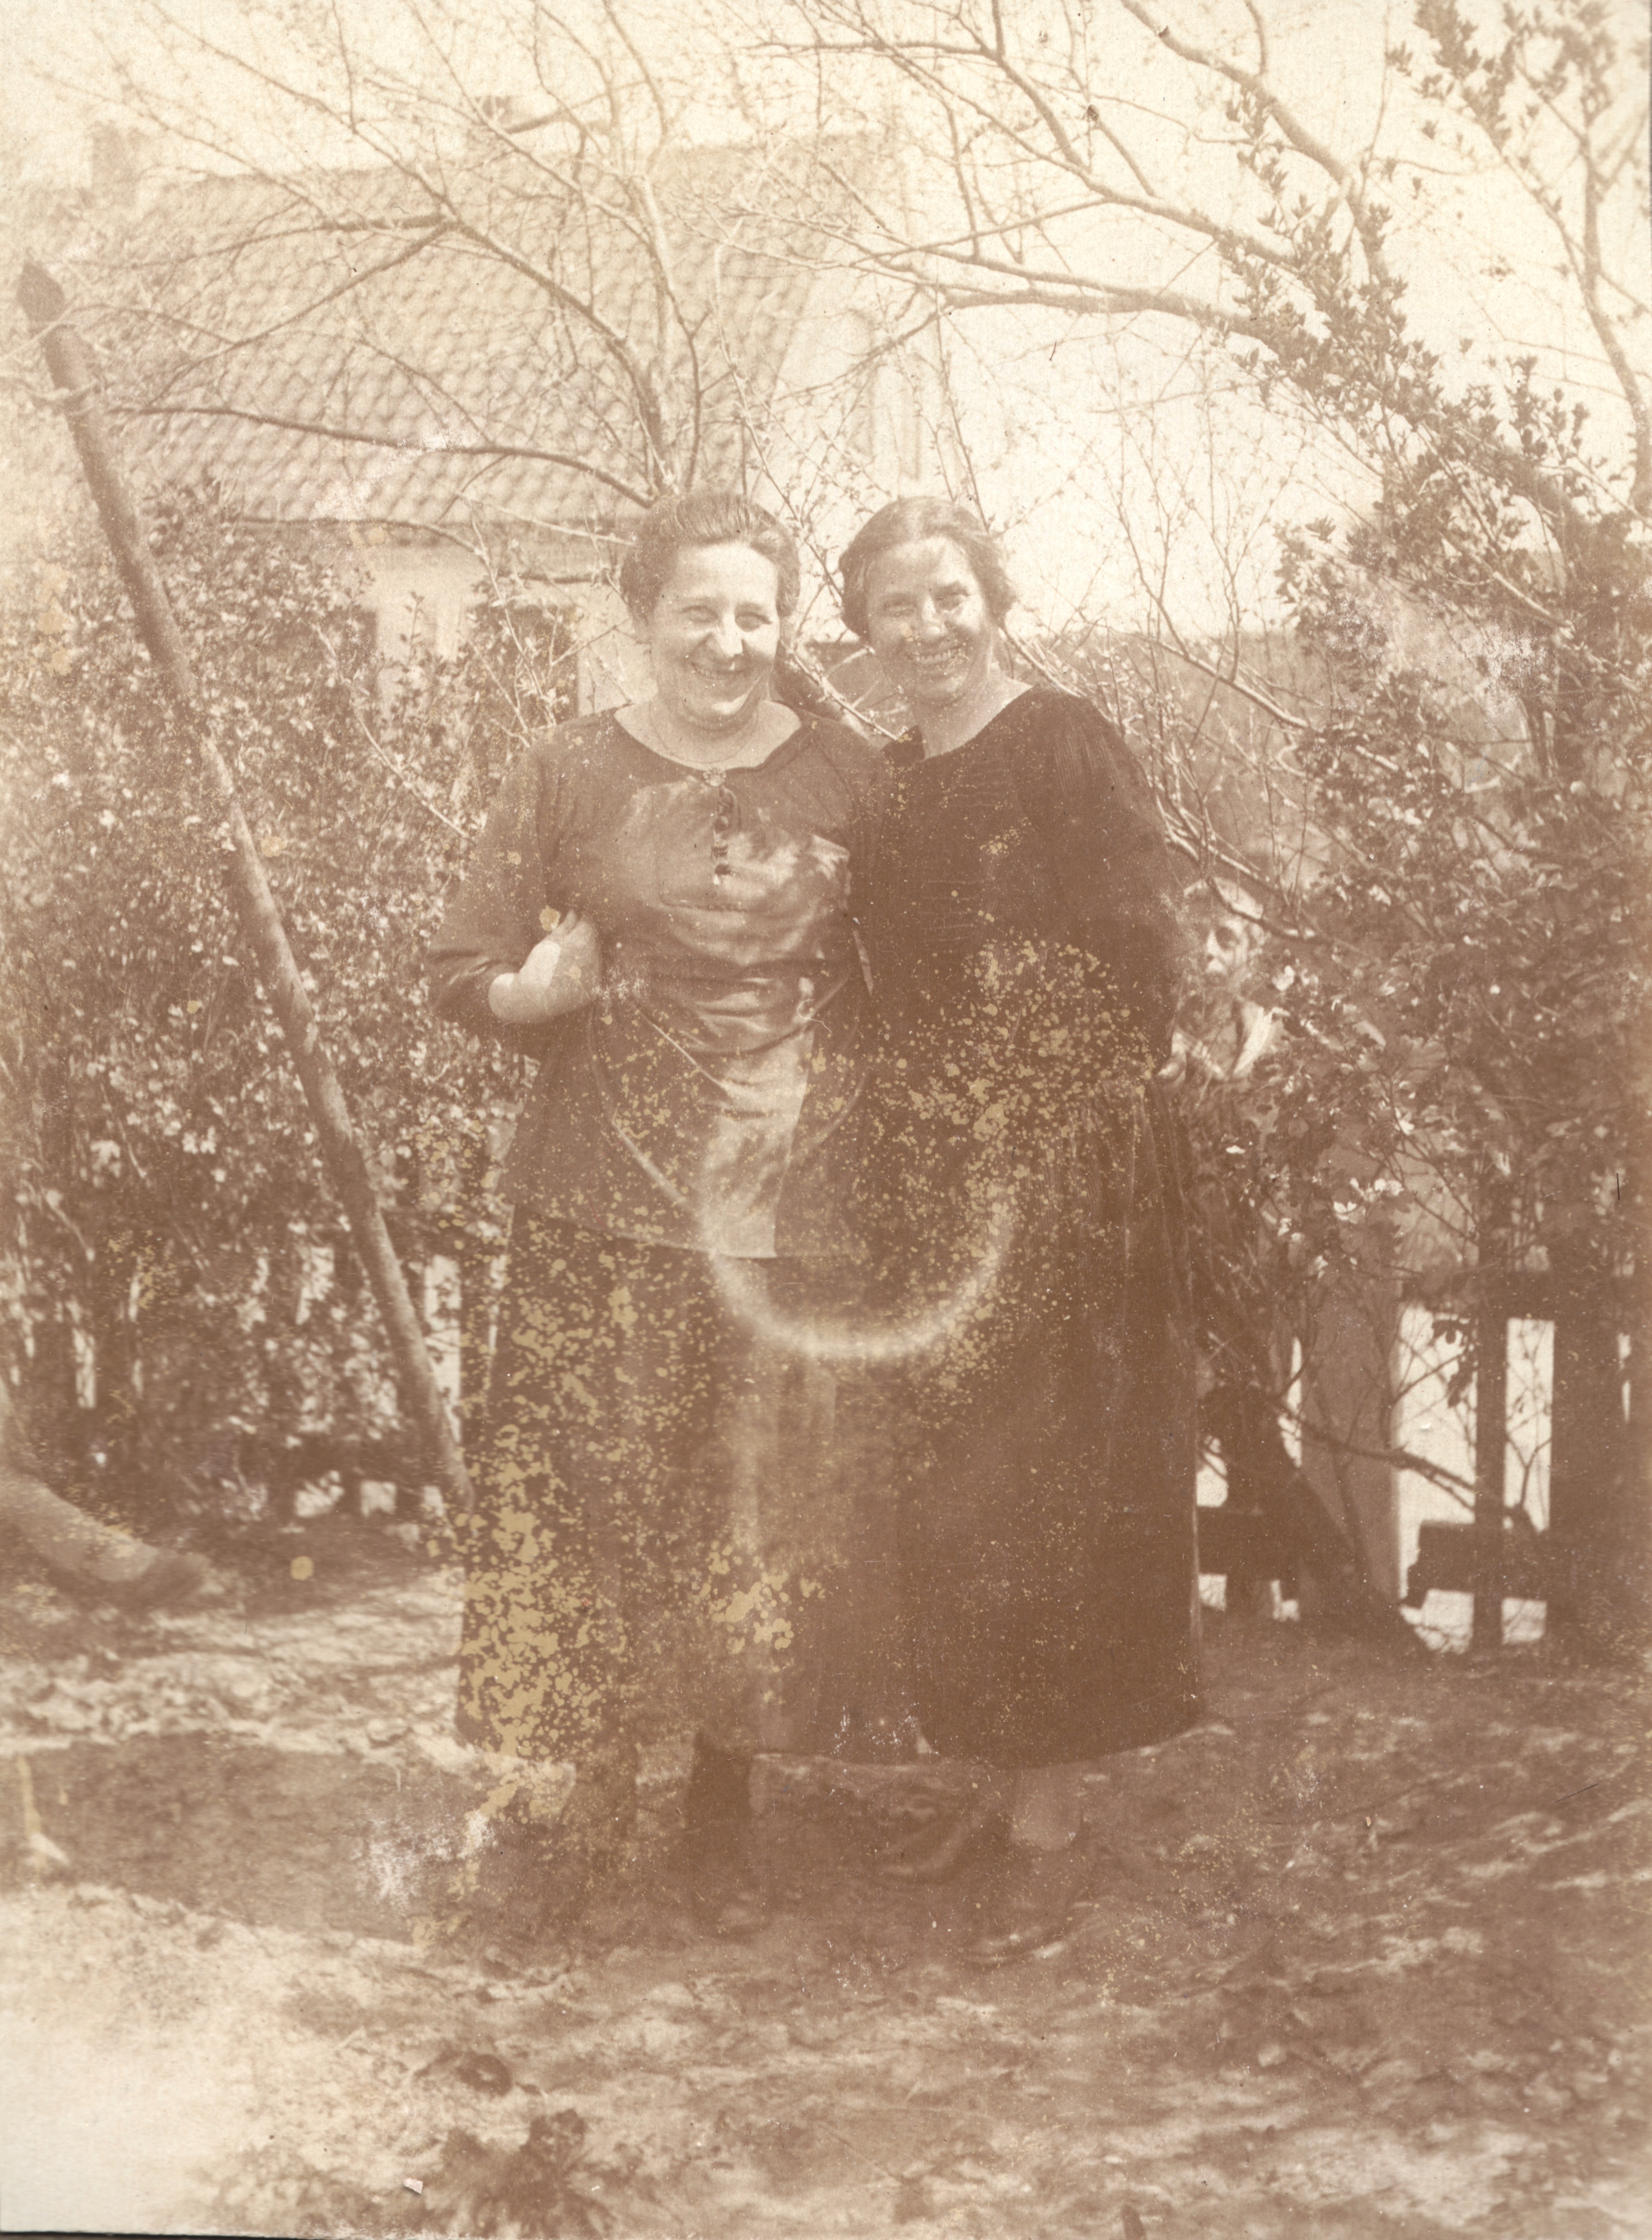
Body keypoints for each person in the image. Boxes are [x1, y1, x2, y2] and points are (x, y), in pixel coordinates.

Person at [425, 491, 882, 1951]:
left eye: (756, 614)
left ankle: (722, 1813)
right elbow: (461, 962)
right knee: (584, 1508)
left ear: (785, 626)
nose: (729, 641)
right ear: (642, 616)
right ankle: (576, 1805)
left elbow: (924, 971)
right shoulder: (566, 771)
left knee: (753, 1514)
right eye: (701, 611)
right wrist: (529, 994)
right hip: (598, 1200)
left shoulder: (851, 779)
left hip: (788, 1209)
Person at [840, 497, 1201, 1963]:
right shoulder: (886, 785)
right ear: (863, 628)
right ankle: (992, 1778)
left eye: (951, 595)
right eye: (897, 605)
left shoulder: (1063, 742)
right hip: (936, 1185)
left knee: (1054, 1484)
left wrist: (1064, 1133)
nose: (929, 627)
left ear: (994, 600)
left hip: (1064, 1178)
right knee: (958, 1489)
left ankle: (1048, 1821)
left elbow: (1147, 954)